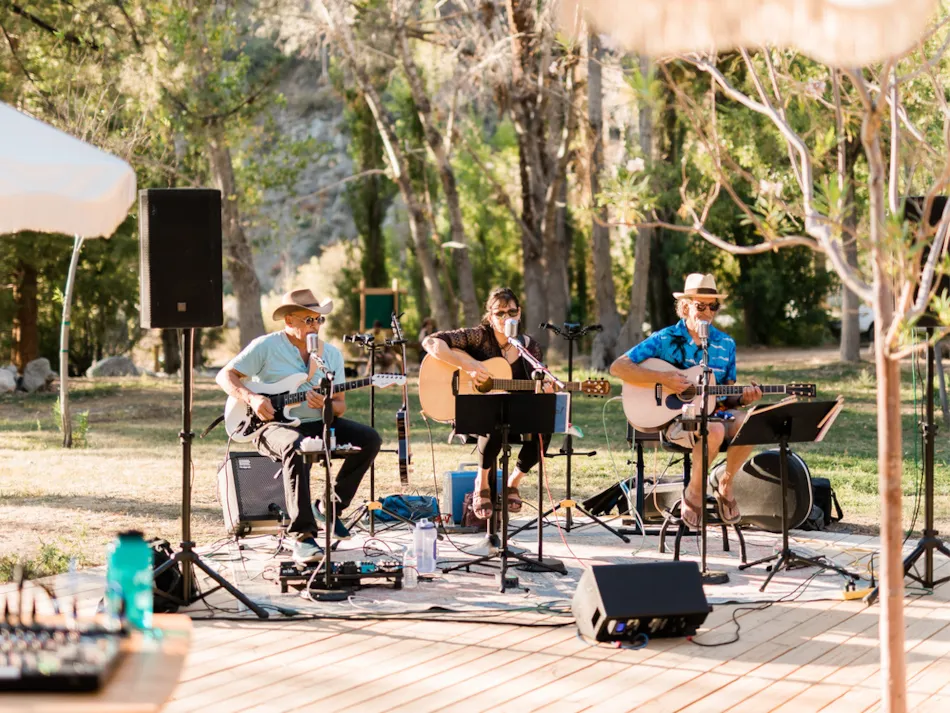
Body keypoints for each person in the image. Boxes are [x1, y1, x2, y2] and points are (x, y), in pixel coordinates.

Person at [216, 289, 382, 564]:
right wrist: (253, 398)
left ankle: (329, 508)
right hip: (269, 426)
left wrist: (325, 404)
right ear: (289, 320)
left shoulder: (330, 355)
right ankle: (303, 537)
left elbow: (340, 406)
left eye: (319, 320)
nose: (315, 325)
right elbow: (225, 375)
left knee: (370, 439)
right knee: (296, 445)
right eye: (309, 320)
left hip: (317, 422)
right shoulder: (266, 346)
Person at [609, 273, 762, 529]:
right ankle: (694, 493)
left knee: (750, 422)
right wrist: (663, 379)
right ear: (685, 306)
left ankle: (725, 482)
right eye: (700, 306)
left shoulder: (726, 344)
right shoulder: (665, 339)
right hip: (673, 418)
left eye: (712, 306)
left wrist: (744, 398)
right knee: (713, 430)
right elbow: (618, 367)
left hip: (714, 414)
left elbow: (724, 397)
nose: (707, 313)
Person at [421, 287, 549, 520]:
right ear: (490, 316)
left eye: (511, 312)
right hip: (476, 412)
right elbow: (431, 342)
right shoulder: (479, 336)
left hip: (516, 411)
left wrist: (546, 387)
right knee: (494, 416)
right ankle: (482, 481)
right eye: (499, 313)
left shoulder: (529, 347)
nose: (506, 318)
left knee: (545, 426)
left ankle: (513, 482)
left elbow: (539, 381)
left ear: (519, 313)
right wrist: (467, 366)